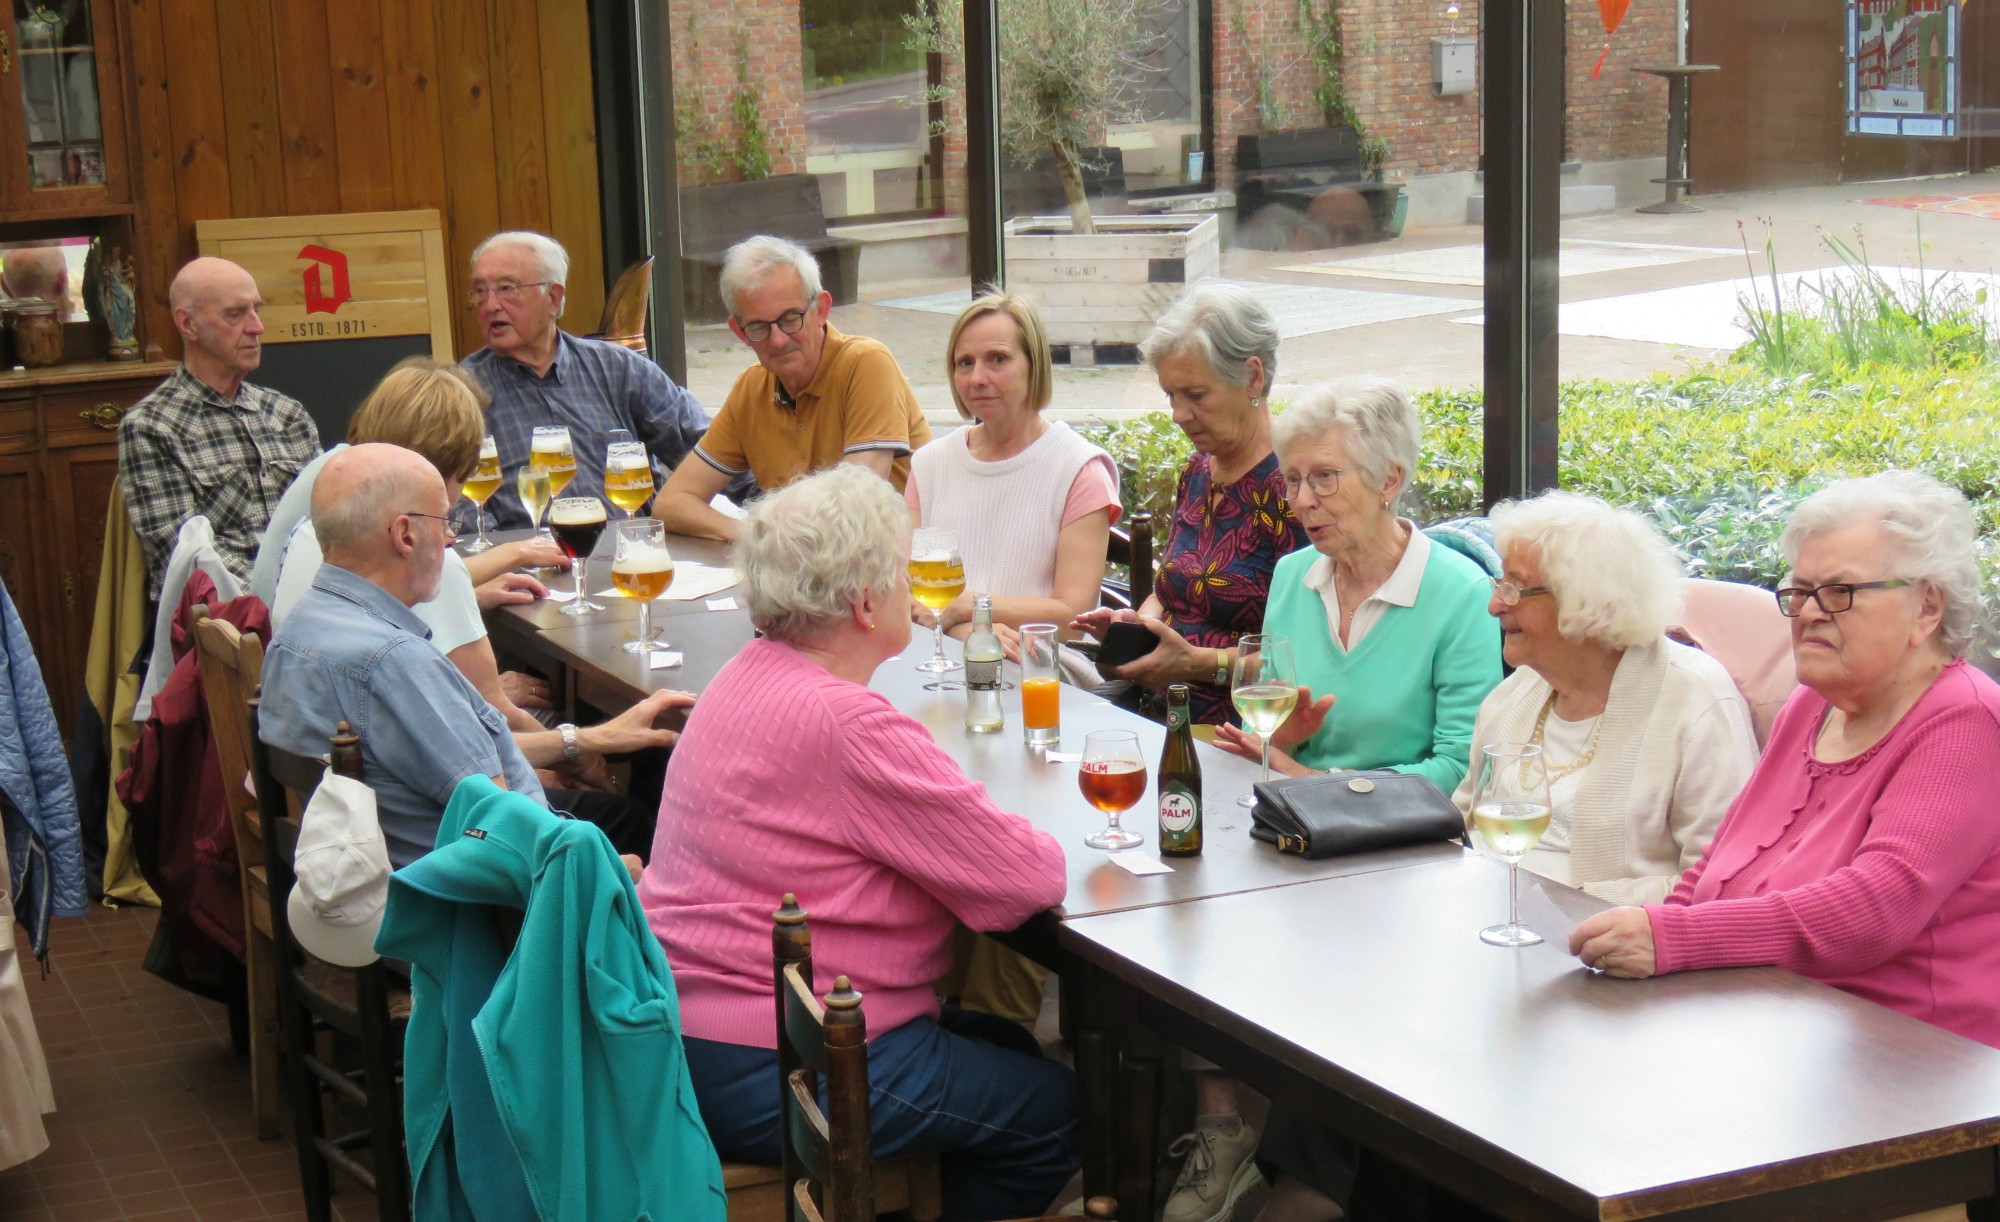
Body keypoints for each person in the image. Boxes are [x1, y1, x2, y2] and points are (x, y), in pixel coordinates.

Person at [638, 464, 1077, 1220]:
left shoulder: (744, 676)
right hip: (778, 1061)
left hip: (684, 1031)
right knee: (1061, 1113)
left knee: (1010, 1049)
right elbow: (1028, 880)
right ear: (866, 603)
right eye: (902, 573)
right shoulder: (847, 724)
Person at [1572, 471, 2000, 1052]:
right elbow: (1720, 864)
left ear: (1927, 606)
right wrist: (1655, 953)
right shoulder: (1814, 703)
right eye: (1800, 592)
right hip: (1768, 1032)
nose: (1811, 614)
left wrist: (1676, 940)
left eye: (1841, 593)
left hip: (1905, 1070)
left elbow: (1876, 908)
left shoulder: (1966, 722)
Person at [255, 365, 678, 858]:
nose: (453, 538)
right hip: (464, 903)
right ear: (404, 535)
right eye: (446, 520)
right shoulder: (397, 663)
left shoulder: (303, 629)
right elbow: (508, 834)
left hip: (363, 869)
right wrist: (612, 875)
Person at [1455, 491, 1758, 904]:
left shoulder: (1694, 700)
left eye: (1514, 589)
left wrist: (1566, 902)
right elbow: (1462, 830)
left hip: (1603, 947)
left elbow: (1723, 882)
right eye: (1499, 584)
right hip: (1485, 920)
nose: (1494, 605)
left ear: (1588, 602)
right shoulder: (1514, 695)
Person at [1212, 377, 1501, 790]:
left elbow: (1464, 768)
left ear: (1388, 480)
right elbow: (1265, 739)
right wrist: (1281, 739)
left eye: (1324, 477)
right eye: (1292, 480)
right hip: (1294, 820)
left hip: (1404, 840)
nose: (1303, 500)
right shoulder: (1293, 575)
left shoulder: (1462, 593)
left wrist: (1324, 784)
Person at [1070, 283, 1308, 725]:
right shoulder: (1198, 471)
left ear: (1253, 377)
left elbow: (1308, 659)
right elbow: (1168, 595)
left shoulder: (1297, 488)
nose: (1178, 414)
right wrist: (1136, 629)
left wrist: (1195, 662)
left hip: (1243, 733)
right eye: (1170, 395)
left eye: (1196, 395)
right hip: (1162, 715)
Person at [653, 235, 932, 541]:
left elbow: (856, 508)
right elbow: (671, 503)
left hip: (895, 568)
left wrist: (774, 540)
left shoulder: (865, 364)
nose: (778, 340)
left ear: (822, 309)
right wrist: (752, 536)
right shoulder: (751, 389)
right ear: (739, 332)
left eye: (790, 319)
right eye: (759, 327)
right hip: (807, 568)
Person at [460, 231, 738, 529]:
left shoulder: (619, 369)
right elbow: (459, 515)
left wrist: (779, 514)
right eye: (480, 291)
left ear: (554, 298)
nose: (489, 305)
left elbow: (709, 450)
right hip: (526, 567)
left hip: (630, 557)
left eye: (506, 288)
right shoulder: (461, 394)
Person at [908, 291, 1118, 633]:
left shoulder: (1078, 470)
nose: (977, 378)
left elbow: (1075, 617)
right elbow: (902, 592)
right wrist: (967, 632)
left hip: (1041, 666)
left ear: (1034, 366)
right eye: (965, 362)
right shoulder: (930, 466)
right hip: (941, 656)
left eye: (998, 359)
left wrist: (973, 608)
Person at [118, 256, 320, 597]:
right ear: (188, 325)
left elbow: (328, 527)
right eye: (235, 313)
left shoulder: (287, 415)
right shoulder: (151, 428)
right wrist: (283, 604)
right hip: (225, 628)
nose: (257, 327)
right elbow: (186, 561)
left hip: (312, 603)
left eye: (256, 310)